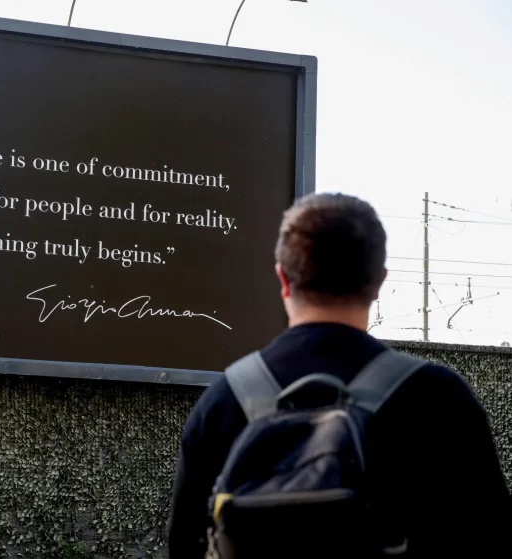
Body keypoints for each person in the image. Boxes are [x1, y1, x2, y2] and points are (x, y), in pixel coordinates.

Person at [167, 192, 511, 558]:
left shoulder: (224, 401)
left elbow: (185, 546)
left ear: (283, 278)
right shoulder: (438, 397)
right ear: (379, 282)